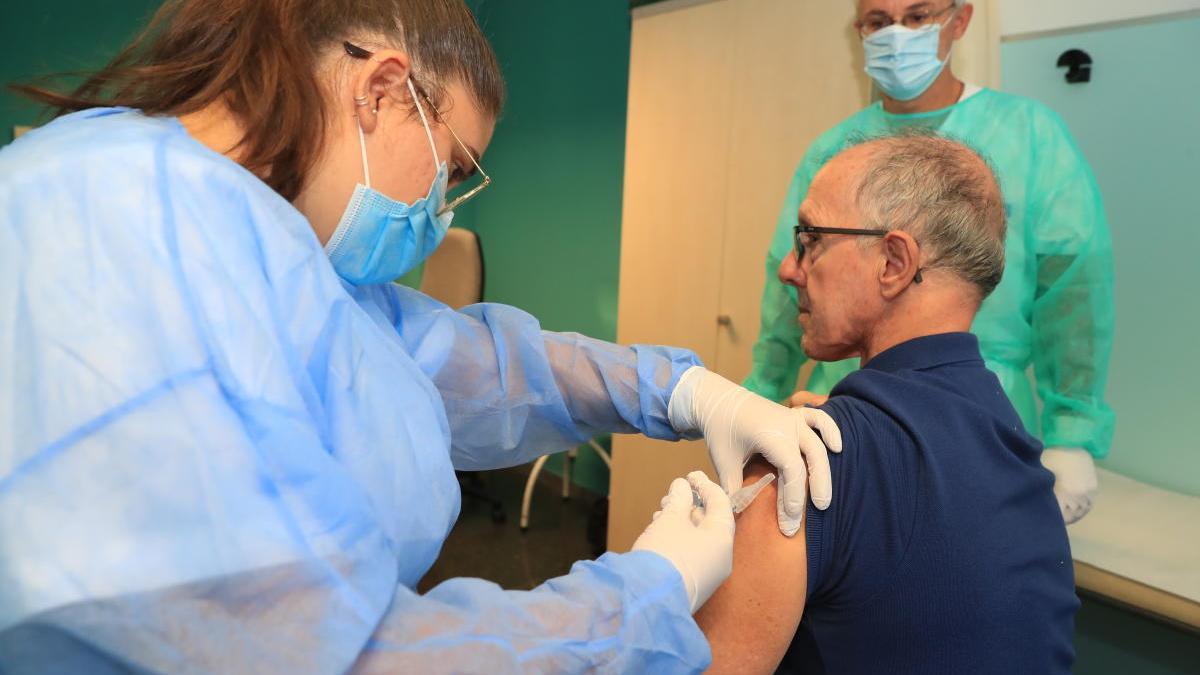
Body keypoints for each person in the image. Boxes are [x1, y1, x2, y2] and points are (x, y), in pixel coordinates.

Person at [0, 1, 842, 672]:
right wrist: (644, 597)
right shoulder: (119, 228)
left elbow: (469, 364)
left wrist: (681, 391)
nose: (439, 217)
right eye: (453, 169)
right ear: (382, 90)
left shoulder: (275, 239)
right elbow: (338, 653)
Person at [698, 133, 1079, 674]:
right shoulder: (1006, 438)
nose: (788, 267)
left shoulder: (806, 467)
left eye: (810, 238)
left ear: (894, 262)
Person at [745, 0, 1115, 524]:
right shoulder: (834, 152)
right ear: (859, 31)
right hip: (842, 409)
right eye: (878, 21)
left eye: (918, 16)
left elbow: (1075, 287)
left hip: (983, 411)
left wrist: (1071, 433)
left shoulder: (1030, 136)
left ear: (959, 21)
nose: (897, 34)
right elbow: (789, 288)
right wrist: (759, 396)